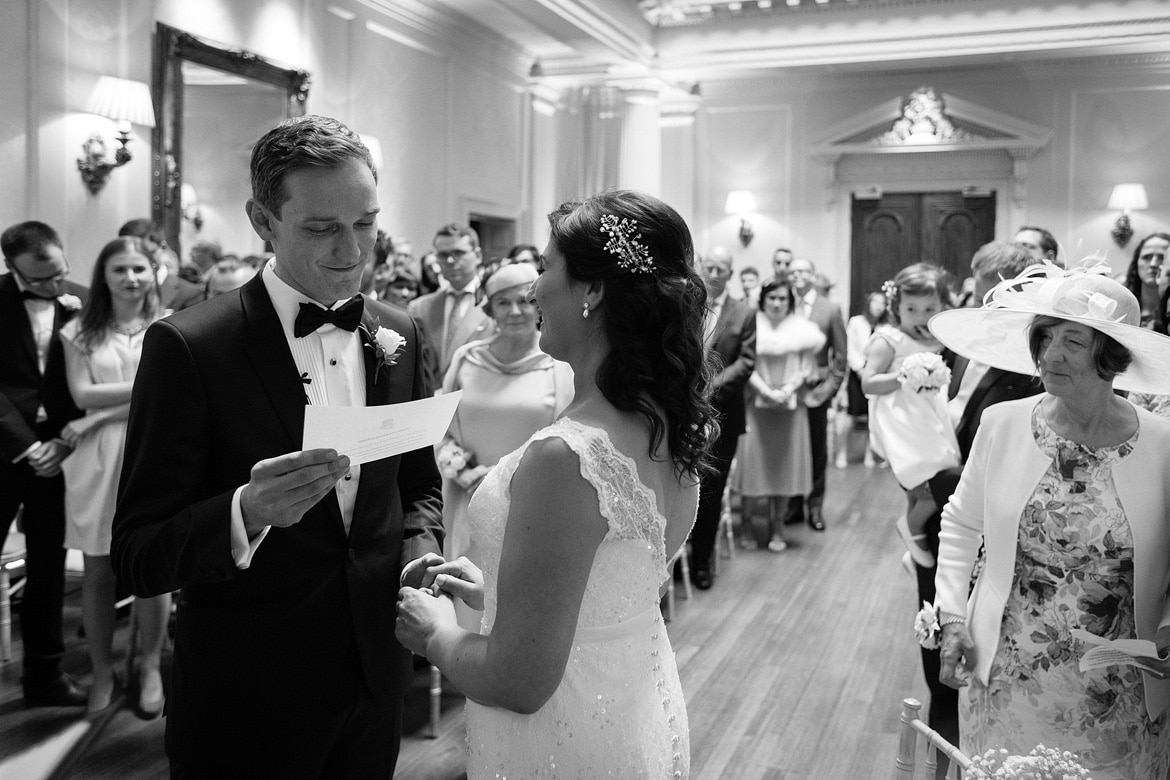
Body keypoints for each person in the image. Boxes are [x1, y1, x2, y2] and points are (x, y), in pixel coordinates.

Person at [110, 115, 444, 776]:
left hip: (376, 681)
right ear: (262, 220)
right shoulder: (189, 347)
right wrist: (246, 512)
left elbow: (417, 486)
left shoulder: (399, 334)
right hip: (247, 696)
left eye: (366, 223)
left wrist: (419, 552)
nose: (352, 252)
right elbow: (137, 556)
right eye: (322, 228)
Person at [396, 189, 715, 779]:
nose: (535, 288)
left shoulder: (564, 456)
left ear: (592, 291)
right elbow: (604, 588)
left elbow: (519, 682)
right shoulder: (663, 426)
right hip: (628, 707)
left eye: (546, 269)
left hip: (560, 737)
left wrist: (433, 633)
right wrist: (493, 590)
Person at [930, 262, 1170, 779]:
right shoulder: (1003, 425)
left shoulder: (1162, 444)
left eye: (1073, 342)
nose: (1049, 354)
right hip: (1010, 673)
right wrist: (951, 618)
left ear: (1110, 356)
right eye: (1045, 337)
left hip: (1121, 685)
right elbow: (961, 524)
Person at [918, 241, 1040, 772]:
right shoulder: (970, 343)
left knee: (974, 656)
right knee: (936, 637)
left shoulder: (1031, 366)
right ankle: (943, 733)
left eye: (980, 279)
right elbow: (958, 410)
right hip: (947, 513)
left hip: (987, 526)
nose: (973, 291)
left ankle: (959, 744)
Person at [58, 237, 169, 717]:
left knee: (155, 568)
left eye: (139, 268)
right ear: (103, 275)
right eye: (119, 269)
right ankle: (103, 672)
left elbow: (170, 396)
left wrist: (99, 415)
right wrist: (98, 414)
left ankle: (149, 667)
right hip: (98, 460)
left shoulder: (171, 327)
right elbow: (82, 392)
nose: (130, 278)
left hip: (156, 449)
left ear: (153, 273)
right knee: (99, 569)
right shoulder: (79, 330)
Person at [437, 263, 572, 618]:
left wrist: (506, 480)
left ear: (540, 306)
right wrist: (464, 471)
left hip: (530, 503)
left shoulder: (560, 366)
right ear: (489, 308)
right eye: (503, 302)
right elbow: (440, 429)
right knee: (467, 609)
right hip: (467, 499)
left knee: (520, 611)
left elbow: (569, 437)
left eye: (525, 301)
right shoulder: (467, 359)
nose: (515, 311)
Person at [0, 221, 88, 708]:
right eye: (42, 281)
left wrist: (58, 443)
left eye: (61, 274)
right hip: (3, 450)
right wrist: (25, 445)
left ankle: (45, 676)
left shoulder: (79, 298)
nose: (56, 287)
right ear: (12, 268)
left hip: (57, 453)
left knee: (48, 566)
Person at [862, 264, 959, 568]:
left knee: (936, 472)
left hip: (928, 415)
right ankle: (912, 526)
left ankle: (916, 541)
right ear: (896, 308)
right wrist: (904, 377)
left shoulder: (938, 339)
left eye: (930, 308)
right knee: (929, 483)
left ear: (943, 306)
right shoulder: (889, 339)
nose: (920, 317)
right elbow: (867, 382)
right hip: (903, 420)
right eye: (911, 309)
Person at [739, 277, 824, 551]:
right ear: (763, 300)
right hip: (757, 405)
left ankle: (778, 527)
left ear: (790, 302)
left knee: (784, 468)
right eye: (772, 298)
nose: (776, 303)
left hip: (790, 407)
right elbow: (745, 363)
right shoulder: (751, 324)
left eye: (782, 298)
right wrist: (765, 390)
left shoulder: (803, 330)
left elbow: (807, 368)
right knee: (754, 466)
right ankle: (747, 524)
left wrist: (787, 389)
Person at [691, 245, 755, 590]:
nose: (714, 273)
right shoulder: (687, 303)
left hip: (722, 415)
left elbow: (745, 362)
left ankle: (702, 562)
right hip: (682, 411)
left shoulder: (744, 312)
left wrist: (708, 390)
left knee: (712, 490)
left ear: (731, 273)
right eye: (710, 266)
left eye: (722, 268)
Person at [785, 256, 847, 531]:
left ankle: (815, 505)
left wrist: (827, 391)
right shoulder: (782, 304)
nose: (797, 275)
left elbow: (841, 357)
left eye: (803, 270)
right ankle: (793, 504)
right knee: (792, 448)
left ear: (813, 274)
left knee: (816, 450)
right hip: (786, 391)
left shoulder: (829, 309)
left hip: (815, 391)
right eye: (793, 271)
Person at [407, 224, 495, 383]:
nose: (450, 260)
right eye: (443, 254)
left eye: (458, 253)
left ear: (478, 256)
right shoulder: (419, 307)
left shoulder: (495, 305)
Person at [842, 290, 888, 468]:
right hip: (857, 373)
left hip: (878, 375)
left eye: (882, 303)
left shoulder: (886, 327)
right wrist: (860, 368)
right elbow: (850, 347)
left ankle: (870, 454)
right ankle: (842, 452)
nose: (878, 306)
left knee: (872, 415)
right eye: (875, 302)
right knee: (851, 415)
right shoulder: (856, 322)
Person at [1122, 232, 1169, 330]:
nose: (1153, 264)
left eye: (1161, 257)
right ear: (1137, 262)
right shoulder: (1120, 304)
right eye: (1146, 257)